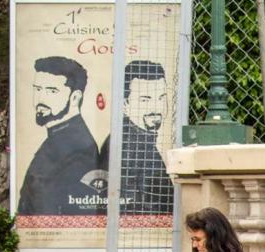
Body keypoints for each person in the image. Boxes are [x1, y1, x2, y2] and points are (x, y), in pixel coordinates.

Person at [18, 56, 104, 215]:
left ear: (75, 98)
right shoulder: (60, 137)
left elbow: (75, 213)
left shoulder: (79, 147)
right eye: (37, 89)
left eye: (51, 91)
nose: (40, 99)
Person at [98, 61, 173, 215]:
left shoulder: (139, 139)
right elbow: (130, 206)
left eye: (161, 98)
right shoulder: (126, 145)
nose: (156, 108)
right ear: (125, 104)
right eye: (145, 100)